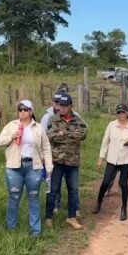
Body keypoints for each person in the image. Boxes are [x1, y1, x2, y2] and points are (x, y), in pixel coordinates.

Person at [0, 100, 53, 236]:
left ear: (31, 112)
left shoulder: (38, 128)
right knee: (14, 198)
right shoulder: (11, 125)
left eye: (25, 110)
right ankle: (11, 230)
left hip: (33, 166)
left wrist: (49, 166)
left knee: (33, 198)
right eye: (20, 109)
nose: (22, 112)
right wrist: (11, 137)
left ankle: (35, 231)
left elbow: (46, 147)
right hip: (14, 167)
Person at [45, 93, 88, 230]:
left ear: (70, 106)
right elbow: (50, 136)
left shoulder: (78, 120)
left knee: (73, 190)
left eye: (64, 106)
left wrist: (63, 133)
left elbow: (82, 134)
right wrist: (69, 134)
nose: (61, 108)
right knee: (53, 190)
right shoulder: (53, 119)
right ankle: (49, 217)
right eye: (60, 105)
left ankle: (71, 217)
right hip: (57, 160)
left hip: (72, 161)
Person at [93, 104, 128, 221]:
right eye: (118, 112)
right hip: (112, 158)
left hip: (126, 158)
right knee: (106, 182)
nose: (121, 115)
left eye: (123, 112)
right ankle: (99, 201)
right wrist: (101, 157)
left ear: (127, 113)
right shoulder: (111, 125)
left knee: (123, 183)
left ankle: (124, 208)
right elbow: (105, 141)